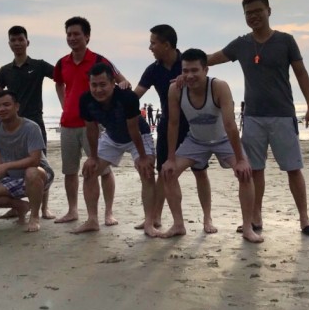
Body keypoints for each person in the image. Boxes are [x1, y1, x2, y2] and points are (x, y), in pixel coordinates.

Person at [207, 0, 309, 237]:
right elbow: (211, 59)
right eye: (248, 13)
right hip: (253, 118)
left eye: (258, 11)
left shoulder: (286, 41)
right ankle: (255, 218)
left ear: (269, 11)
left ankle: (304, 219)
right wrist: (183, 64)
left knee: (293, 168)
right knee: (255, 170)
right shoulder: (241, 44)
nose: (253, 16)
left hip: (283, 115)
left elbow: (301, 73)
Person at [161, 49, 263, 243]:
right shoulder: (176, 89)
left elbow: (230, 124)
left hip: (224, 140)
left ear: (206, 70)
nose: (190, 75)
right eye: (185, 71)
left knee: (245, 173)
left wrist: (240, 160)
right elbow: (173, 124)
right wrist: (171, 158)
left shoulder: (219, 87)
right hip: (195, 140)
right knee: (168, 173)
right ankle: (178, 224)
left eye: (195, 70)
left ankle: (247, 227)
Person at [133, 24, 213, 232]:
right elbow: (135, 97)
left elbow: (206, 81)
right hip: (168, 125)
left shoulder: (186, 64)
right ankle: (156, 217)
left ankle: (207, 219)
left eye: (153, 43)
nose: (150, 47)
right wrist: (119, 95)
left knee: (200, 172)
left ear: (166, 45)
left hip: (193, 126)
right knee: (163, 172)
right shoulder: (153, 69)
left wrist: (187, 78)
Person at [53, 16, 130, 225]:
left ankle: (108, 213)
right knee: (70, 171)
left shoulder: (100, 60)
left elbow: (122, 81)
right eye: (69, 34)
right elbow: (59, 84)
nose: (72, 38)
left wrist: (114, 103)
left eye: (76, 34)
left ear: (87, 37)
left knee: (102, 170)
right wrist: (65, 104)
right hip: (68, 123)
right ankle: (72, 211)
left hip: (95, 124)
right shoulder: (62, 63)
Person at [0, 25, 55, 220]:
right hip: (8, 123)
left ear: (27, 42)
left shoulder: (39, 65)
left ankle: (43, 208)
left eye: (21, 39)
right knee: (11, 163)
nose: (17, 43)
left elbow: (62, 77)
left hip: (33, 122)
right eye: (13, 40)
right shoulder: (5, 70)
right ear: (9, 44)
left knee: (38, 165)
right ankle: (16, 206)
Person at [73, 63, 159, 237]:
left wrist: (143, 157)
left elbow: (133, 129)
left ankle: (149, 222)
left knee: (147, 171)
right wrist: (93, 157)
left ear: (113, 83)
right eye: (94, 85)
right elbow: (92, 129)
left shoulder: (127, 97)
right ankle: (92, 220)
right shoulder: (86, 100)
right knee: (90, 171)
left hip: (138, 136)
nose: (98, 90)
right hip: (112, 136)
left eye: (103, 84)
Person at [0, 90, 54, 232]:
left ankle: (34, 216)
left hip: (40, 173)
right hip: (13, 176)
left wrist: (5, 166)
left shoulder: (31, 127)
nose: (1, 109)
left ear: (17, 106)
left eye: (6, 105)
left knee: (31, 172)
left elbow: (35, 160)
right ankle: (20, 206)